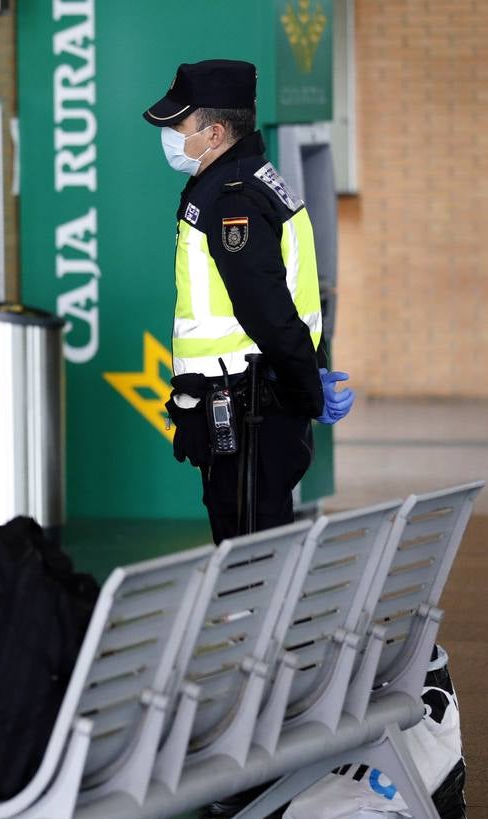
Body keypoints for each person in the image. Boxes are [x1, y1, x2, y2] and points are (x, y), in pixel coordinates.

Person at [144, 59, 354, 544]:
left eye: (181, 125)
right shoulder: (256, 182)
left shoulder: (232, 199)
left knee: (248, 555)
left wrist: (309, 391)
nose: (172, 135)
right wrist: (310, 377)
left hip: (246, 407)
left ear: (214, 133)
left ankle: (254, 621)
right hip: (255, 400)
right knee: (259, 541)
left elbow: (268, 310)